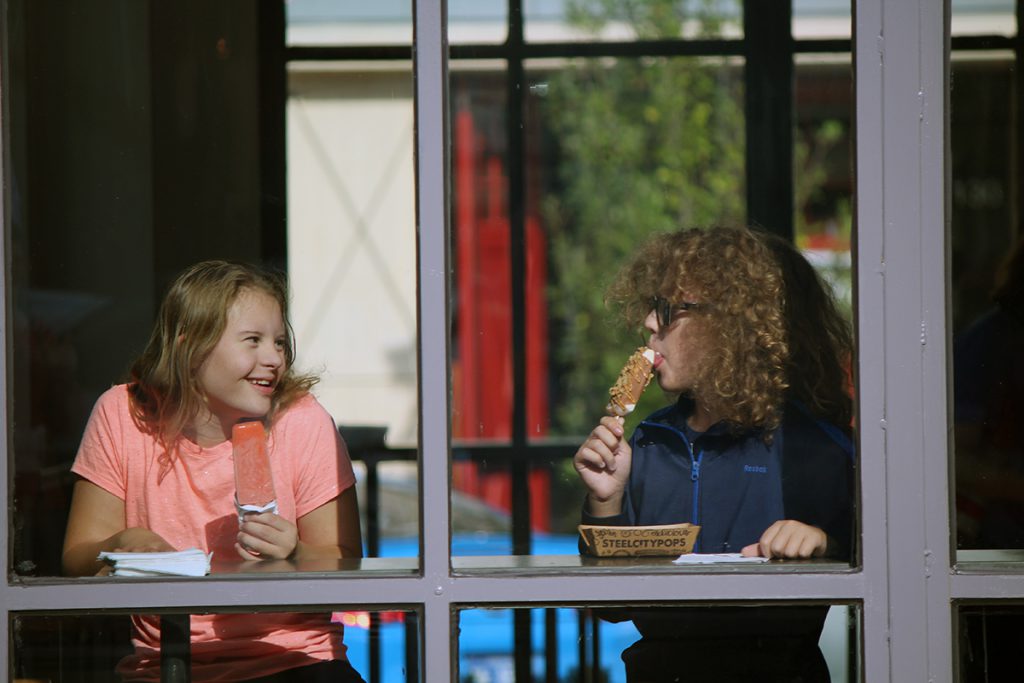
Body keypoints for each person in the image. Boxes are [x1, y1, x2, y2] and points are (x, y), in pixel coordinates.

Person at [573, 226, 855, 682]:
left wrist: (825, 543)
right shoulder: (648, 441)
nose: (648, 322)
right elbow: (611, 607)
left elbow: (887, 563)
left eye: (667, 309)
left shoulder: (812, 446)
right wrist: (605, 502)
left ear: (730, 325)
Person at [62, 260, 365, 683]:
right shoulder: (122, 414)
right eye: (253, 340)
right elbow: (76, 557)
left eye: (279, 342)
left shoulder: (302, 420)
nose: (274, 358)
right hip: (163, 665)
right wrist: (121, 543)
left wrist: (295, 554)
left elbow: (348, 562)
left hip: (295, 661)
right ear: (191, 349)